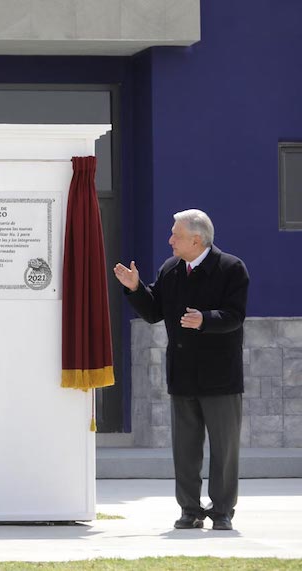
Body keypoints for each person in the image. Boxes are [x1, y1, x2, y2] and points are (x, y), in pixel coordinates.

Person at [113, 209, 249, 531]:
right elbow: (154, 312)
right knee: (185, 450)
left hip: (220, 378)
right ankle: (189, 510)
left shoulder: (231, 268)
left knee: (224, 450)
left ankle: (222, 511)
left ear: (196, 239)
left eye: (176, 235)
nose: (170, 240)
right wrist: (135, 290)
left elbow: (235, 315)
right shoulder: (170, 269)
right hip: (183, 375)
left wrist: (205, 320)